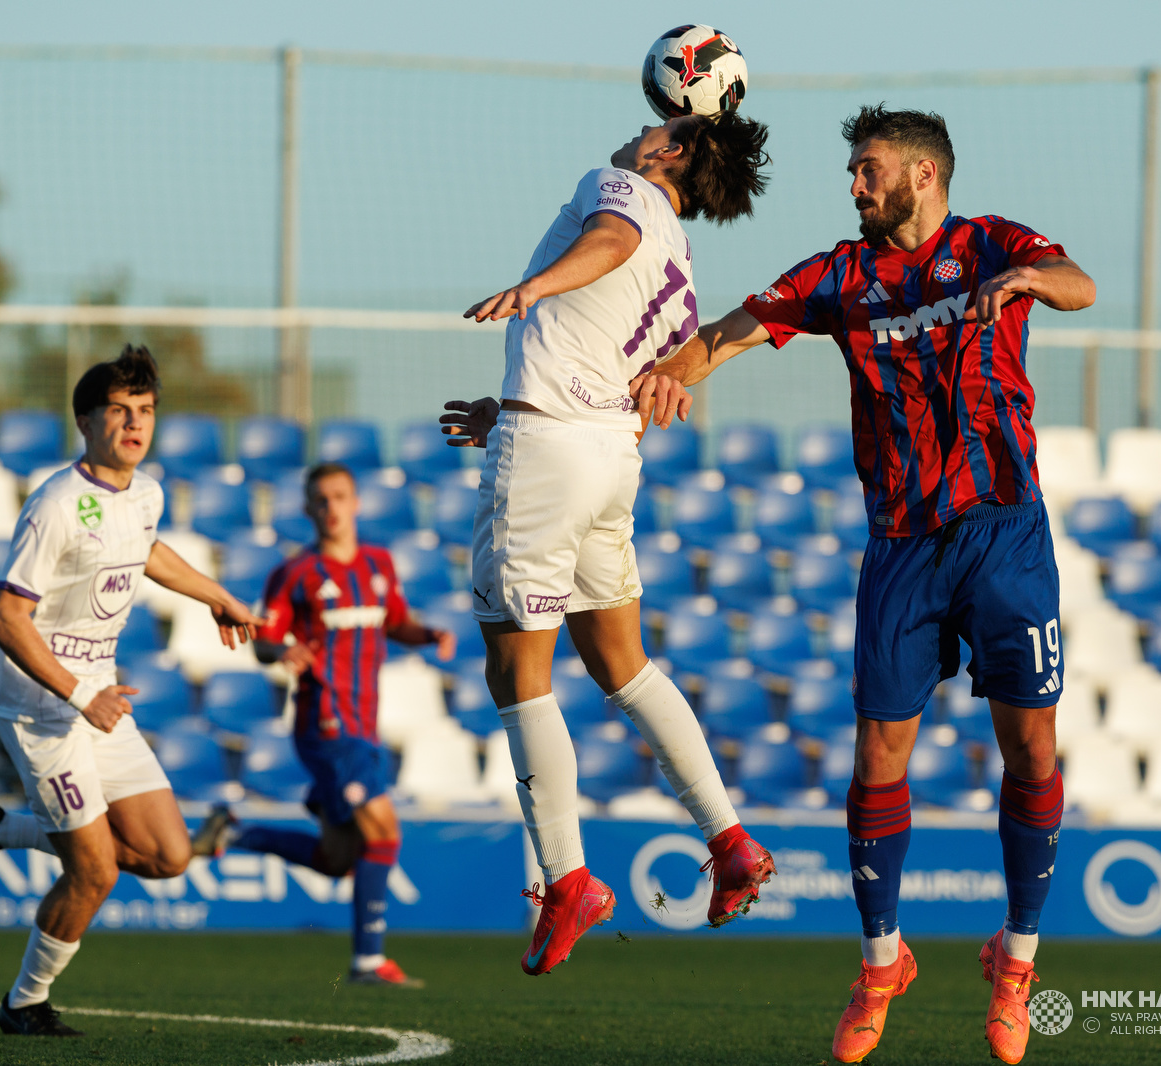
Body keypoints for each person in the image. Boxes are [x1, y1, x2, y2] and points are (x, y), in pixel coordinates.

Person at [623, 106, 1096, 1064]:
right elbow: (734, 329)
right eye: (852, 171)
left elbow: (1080, 286)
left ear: (923, 175)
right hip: (902, 546)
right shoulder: (841, 274)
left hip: (1005, 529)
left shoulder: (993, 243)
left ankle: (1016, 960)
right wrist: (671, 373)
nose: (853, 185)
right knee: (879, 755)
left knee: (1033, 749)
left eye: (867, 169)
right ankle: (883, 964)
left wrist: (1032, 279)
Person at [438, 110, 776, 978]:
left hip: (551, 455)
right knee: (624, 664)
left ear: (675, 152)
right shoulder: (684, 269)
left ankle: (568, 882)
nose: (639, 128)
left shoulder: (621, 189)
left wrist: (535, 286)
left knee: (517, 673)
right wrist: (505, 412)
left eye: (660, 124)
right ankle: (730, 839)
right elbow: (625, 363)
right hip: (602, 459)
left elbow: (610, 237)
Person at [0, 344, 263, 1037]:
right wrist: (83, 695)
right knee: (96, 873)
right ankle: (24, 1004)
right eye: (118, 410)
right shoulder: (55, 504)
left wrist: (218, 597)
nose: (134, 424)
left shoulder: (146, 492)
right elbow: (6, 619)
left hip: (98, 702)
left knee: (170, 856)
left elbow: (146, 548)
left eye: (144, 411)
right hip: (42, 711)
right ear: (85, 422)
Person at [192, 462, 455, 988]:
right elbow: (264, 640)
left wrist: (427, 634)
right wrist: (282, 649)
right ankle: (368, 962)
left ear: (356, 503)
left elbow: (395, 619)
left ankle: (237, 833)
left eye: (339, 497)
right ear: (307, 510)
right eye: (321, 500)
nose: (331, 508)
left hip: (364, 726)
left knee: (338, 859)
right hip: (326, 724)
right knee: (385, 830)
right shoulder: (295, 574)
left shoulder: (379, 564)